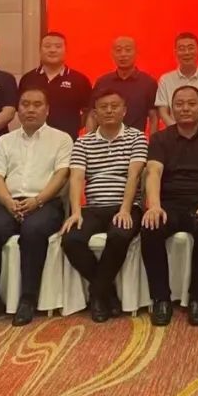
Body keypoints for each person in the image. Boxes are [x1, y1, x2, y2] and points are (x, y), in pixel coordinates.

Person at [0, 88, 72, 327]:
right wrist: (8, 202)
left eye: (37, 105)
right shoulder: (5, 141)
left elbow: (61, 175)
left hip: (45, 202)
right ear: (17, 110)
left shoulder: (62, 139)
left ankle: (28, 299)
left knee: (33, 231)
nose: (30, 109)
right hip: (9, 202)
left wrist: (37, 200)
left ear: (47, 110)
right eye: (25, 104)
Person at [140, 85, 198, 326]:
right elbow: (154, 173)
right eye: (179, 104)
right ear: (171, 109)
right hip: (168, 204)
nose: (185, 108)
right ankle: (161, 298)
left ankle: (197, 298)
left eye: (191, 103)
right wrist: (154, 206)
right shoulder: (159, 139)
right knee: (150, 228)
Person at [62, 88, 148, 323]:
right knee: (71, 239)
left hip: (125, 205)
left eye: (114, 106)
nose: (109, 111)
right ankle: (106, 291)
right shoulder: (83, 141)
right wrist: (76, 212)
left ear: (124, 111)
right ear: (95, 113)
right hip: (94, 206)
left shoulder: (137, 137)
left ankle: (97, 295)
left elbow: (134, 175)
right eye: (103, 107)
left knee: (119, 235)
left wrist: (125, 209)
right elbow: (76, 178)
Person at [18, 31, 93, 138]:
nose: (52, 50)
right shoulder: (28, 79)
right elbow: (21, 109)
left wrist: (73, 126)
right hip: (32, 138)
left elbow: (88, 112)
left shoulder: (80, 80)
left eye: (58, 46)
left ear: (66, 50)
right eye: (47, 46)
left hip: (68, 139)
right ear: (40, 50)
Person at [87, 36, 159, 135]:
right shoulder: (102, 82)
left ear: (136, 53)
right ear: (112, 54)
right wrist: (89, 139)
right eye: (118, 50)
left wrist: (152, 142)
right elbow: (92, 115)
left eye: (128, 50)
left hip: (135, 140)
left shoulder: (148, 83)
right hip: (104, 140)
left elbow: (154, 118)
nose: (123, 54)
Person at [156, 32, 198, 127]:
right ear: (175, 53)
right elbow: (163, 113)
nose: (186, 52)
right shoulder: (165, 80)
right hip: (173, 133)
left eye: (191, 48)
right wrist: (178, 132)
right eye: (182, 49)